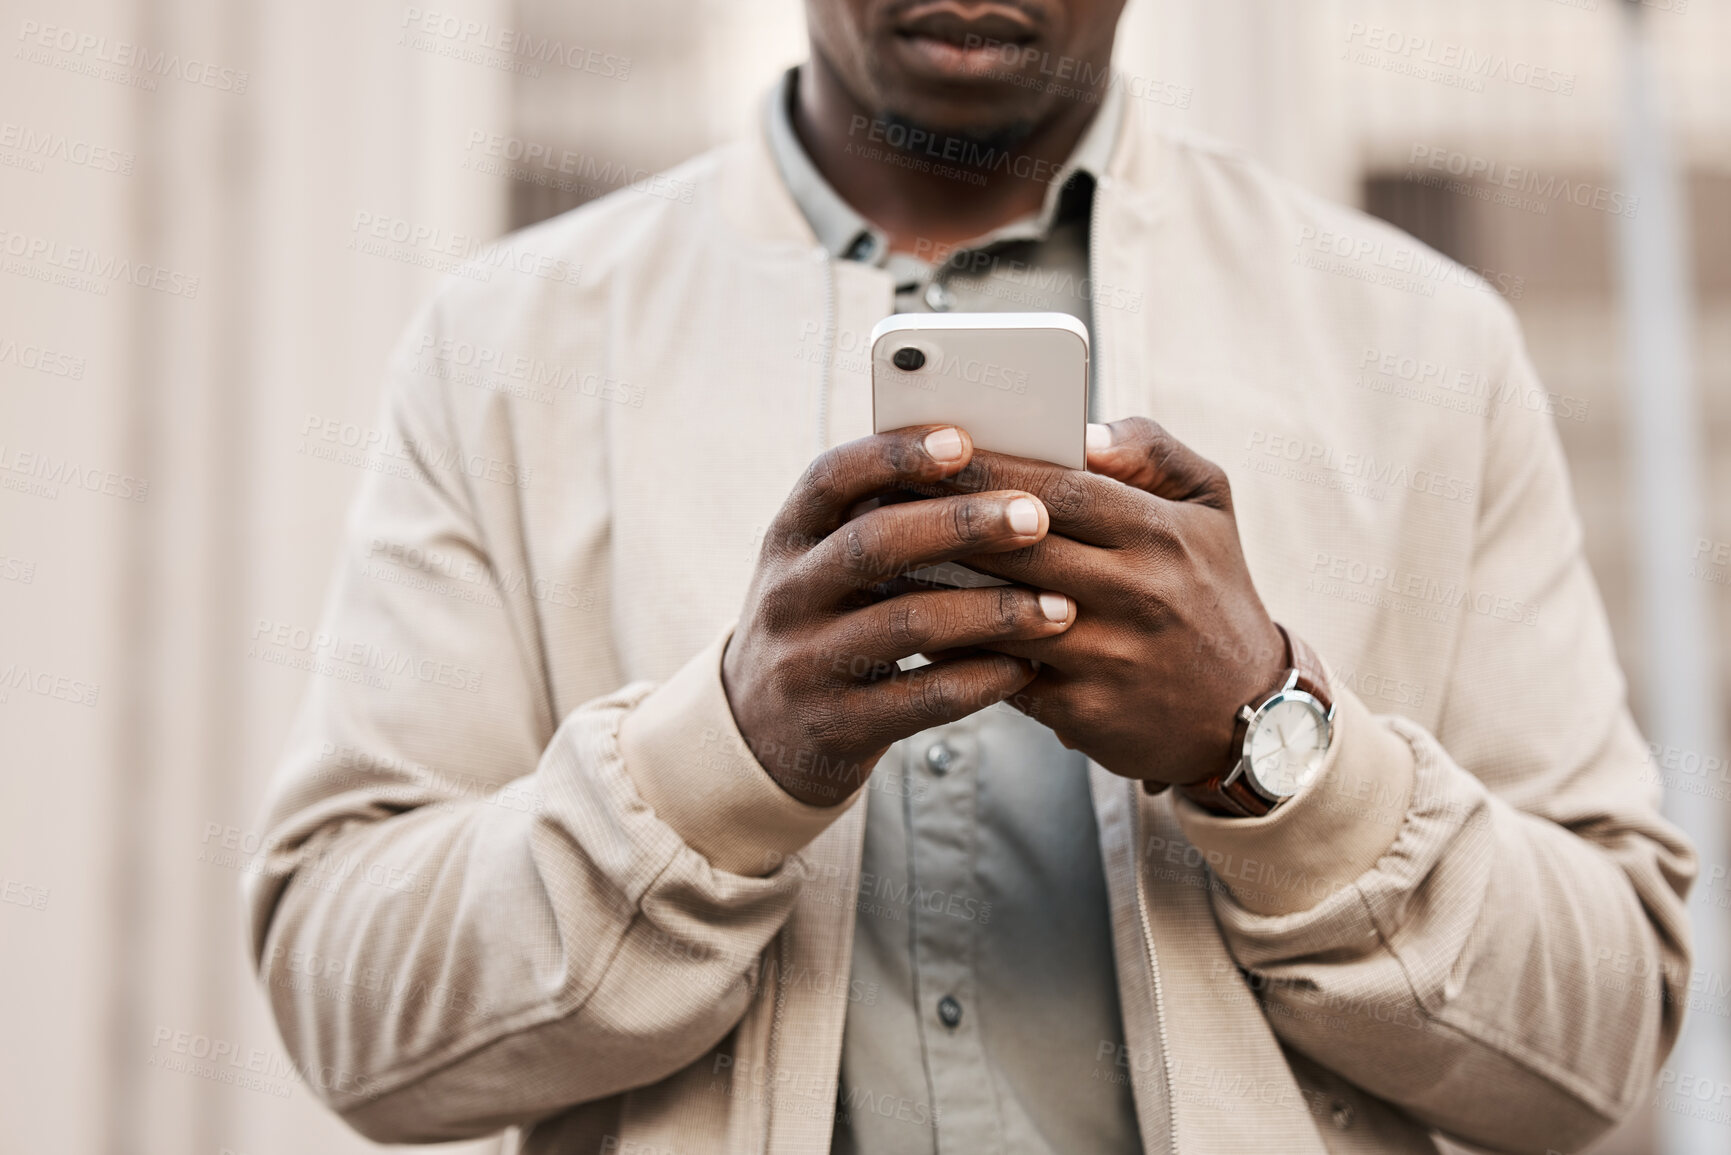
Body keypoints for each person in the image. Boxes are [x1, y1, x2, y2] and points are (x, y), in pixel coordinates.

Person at [244, 1, 1695, 1152]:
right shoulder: (508, 345)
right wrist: (722, 759)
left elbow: (1599, 1045)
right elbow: (350, 1014)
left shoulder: (1425, 344)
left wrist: (1267, 743)